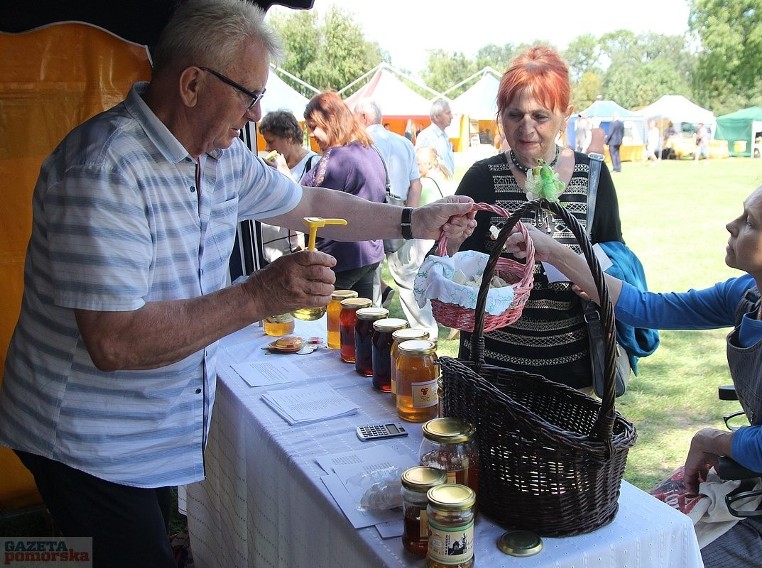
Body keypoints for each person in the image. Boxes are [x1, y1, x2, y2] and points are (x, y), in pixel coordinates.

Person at [0, 2, 476, 566]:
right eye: (249, 95)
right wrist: (259, 293)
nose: (257, 114)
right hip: (83, 441)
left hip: (143, 434)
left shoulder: (218, 156)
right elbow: (115, 340)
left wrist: (410, 221)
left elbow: (308, 203)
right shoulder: (104, 169)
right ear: (193, 83)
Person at [505, 168, 762, 567]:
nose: (731, 225)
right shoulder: (751, 296)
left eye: (750, 222)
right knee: (620, 538)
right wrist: (551, 251)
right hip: (748, 490)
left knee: (642, 554)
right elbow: (644, 306)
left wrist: (708, 439)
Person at [443, 45, 624, 390]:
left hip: (574, 370)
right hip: (494, 368)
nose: (526, 128)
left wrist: (595, 279)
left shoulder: (594, 176)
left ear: (565, 115)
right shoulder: (482, 177)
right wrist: (451, 239)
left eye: (540, 116)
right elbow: (450, 265)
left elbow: (616, 251)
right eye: (514, 115)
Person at [301, 91, 388, 303]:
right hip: (368, 254)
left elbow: (313, 203)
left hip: (340, 258)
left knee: (328, 326)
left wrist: (287, 176)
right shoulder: (369, 149)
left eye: (314, 127)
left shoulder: (337, 157)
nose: (311, 134)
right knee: (361, 326)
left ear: (330, 121)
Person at [353, 98, 422, 307]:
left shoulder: (359, 144)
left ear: (363, 117)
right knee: (407, 279)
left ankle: (374, 323)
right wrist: (410, 220)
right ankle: (425, 331)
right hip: (401, 211)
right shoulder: (403, 142)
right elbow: (416, 185)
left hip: (368, 215)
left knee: (371, 275)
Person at [387, 146, 456, 339]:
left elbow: (415, 214)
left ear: (428, 163)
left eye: (418, 164)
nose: (415, 168)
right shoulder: (445, 179)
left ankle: (425, 332)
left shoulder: (425, 184)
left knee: (412, 282)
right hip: (441, 241)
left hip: (422, 244)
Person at [258, 109, 318, 259]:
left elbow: (311, 208)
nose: (267, 148)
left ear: (289, 137)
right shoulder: (273, 166)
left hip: (298, 253)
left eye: (270, 141)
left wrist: (284, 173)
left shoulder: (314, 164)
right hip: (271, 254)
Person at [415, 98, 455, 176]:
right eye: (448, 113)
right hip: (434, 185)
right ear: (436, 117)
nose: (451, 117)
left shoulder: (444, 136)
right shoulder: (426, 136)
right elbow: (418, 165)